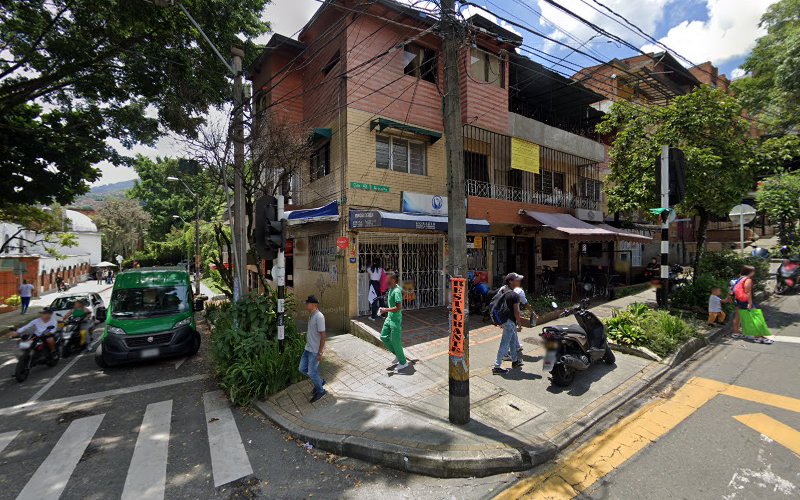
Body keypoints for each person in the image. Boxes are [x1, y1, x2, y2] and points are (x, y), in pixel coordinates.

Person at [731, 265, 772, 344]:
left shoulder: (740, 278)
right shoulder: (748, 280)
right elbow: (747, 292)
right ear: (750, 272)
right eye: (753, 271)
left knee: (737, 316)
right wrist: (749, 303)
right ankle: (758, 337)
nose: (754, 272)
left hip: (738, 299)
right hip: (745, 301)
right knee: (755, 317)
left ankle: (736, 333)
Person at [492, 273, 524, 375]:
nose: (518, 282)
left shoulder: (503, 290)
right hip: (510, 322)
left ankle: (515, 361)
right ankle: (497, 367)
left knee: (513, 341)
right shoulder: (514, 295)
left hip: (504, 320)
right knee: (504, 344)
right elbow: (516, 312)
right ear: (510, 281)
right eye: (516, 280)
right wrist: (520, 324)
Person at [379, 272, 409, 373]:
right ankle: (398, 355)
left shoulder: (396, 291)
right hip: (389, 318)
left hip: (395, 319)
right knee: (383, 337)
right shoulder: (395, 288)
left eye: (387, 278)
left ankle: (403, 362)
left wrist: (385, 310)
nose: (386, 280)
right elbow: (405, 292)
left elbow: (398, 307)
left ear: (393, 279)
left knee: (396, 341)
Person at [299, 296, 327, 403]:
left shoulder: (319, 317)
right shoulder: (311, 315)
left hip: (315, 350)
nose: (306, 305)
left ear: (314, 305)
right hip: (308, 348)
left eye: (308, 303)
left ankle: (320, 391)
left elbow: (323, 335)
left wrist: (320, 352)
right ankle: (319, 381)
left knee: (312, 372)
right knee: (302, 369)